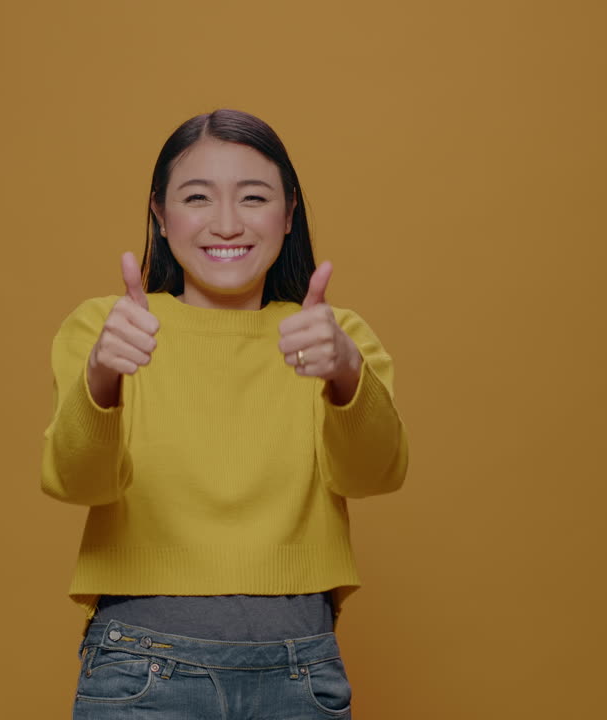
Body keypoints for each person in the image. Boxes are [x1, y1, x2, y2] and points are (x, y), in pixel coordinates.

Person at [41, 108, 409, 719]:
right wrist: (103, 375)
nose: (227, 223)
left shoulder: (331, 336)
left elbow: (375, 475)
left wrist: (346, 374)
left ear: (289, 213)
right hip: (140, 669)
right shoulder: (110, 328)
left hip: (301, 672)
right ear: (160, 214)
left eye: (254, 197)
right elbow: (74, 480)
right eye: (197, 197)